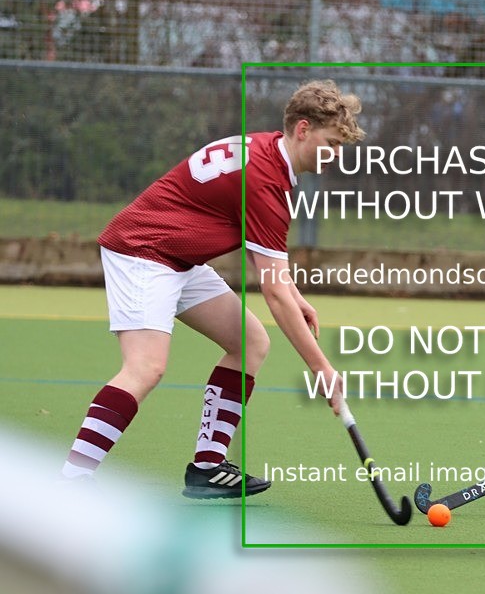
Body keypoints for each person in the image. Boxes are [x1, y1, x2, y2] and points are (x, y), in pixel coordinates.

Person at [60, 79, 362, 498]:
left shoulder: (269, 153)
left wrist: (296, 296)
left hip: (179, 257)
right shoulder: (265, 181)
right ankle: (73, 479)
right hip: (143, 251)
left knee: (250, 341)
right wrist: (322, 369)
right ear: (303, 129)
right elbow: (272, 292)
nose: (334, 156)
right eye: (331, 143)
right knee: (146, 367)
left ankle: (207, 468)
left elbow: (277, 277)